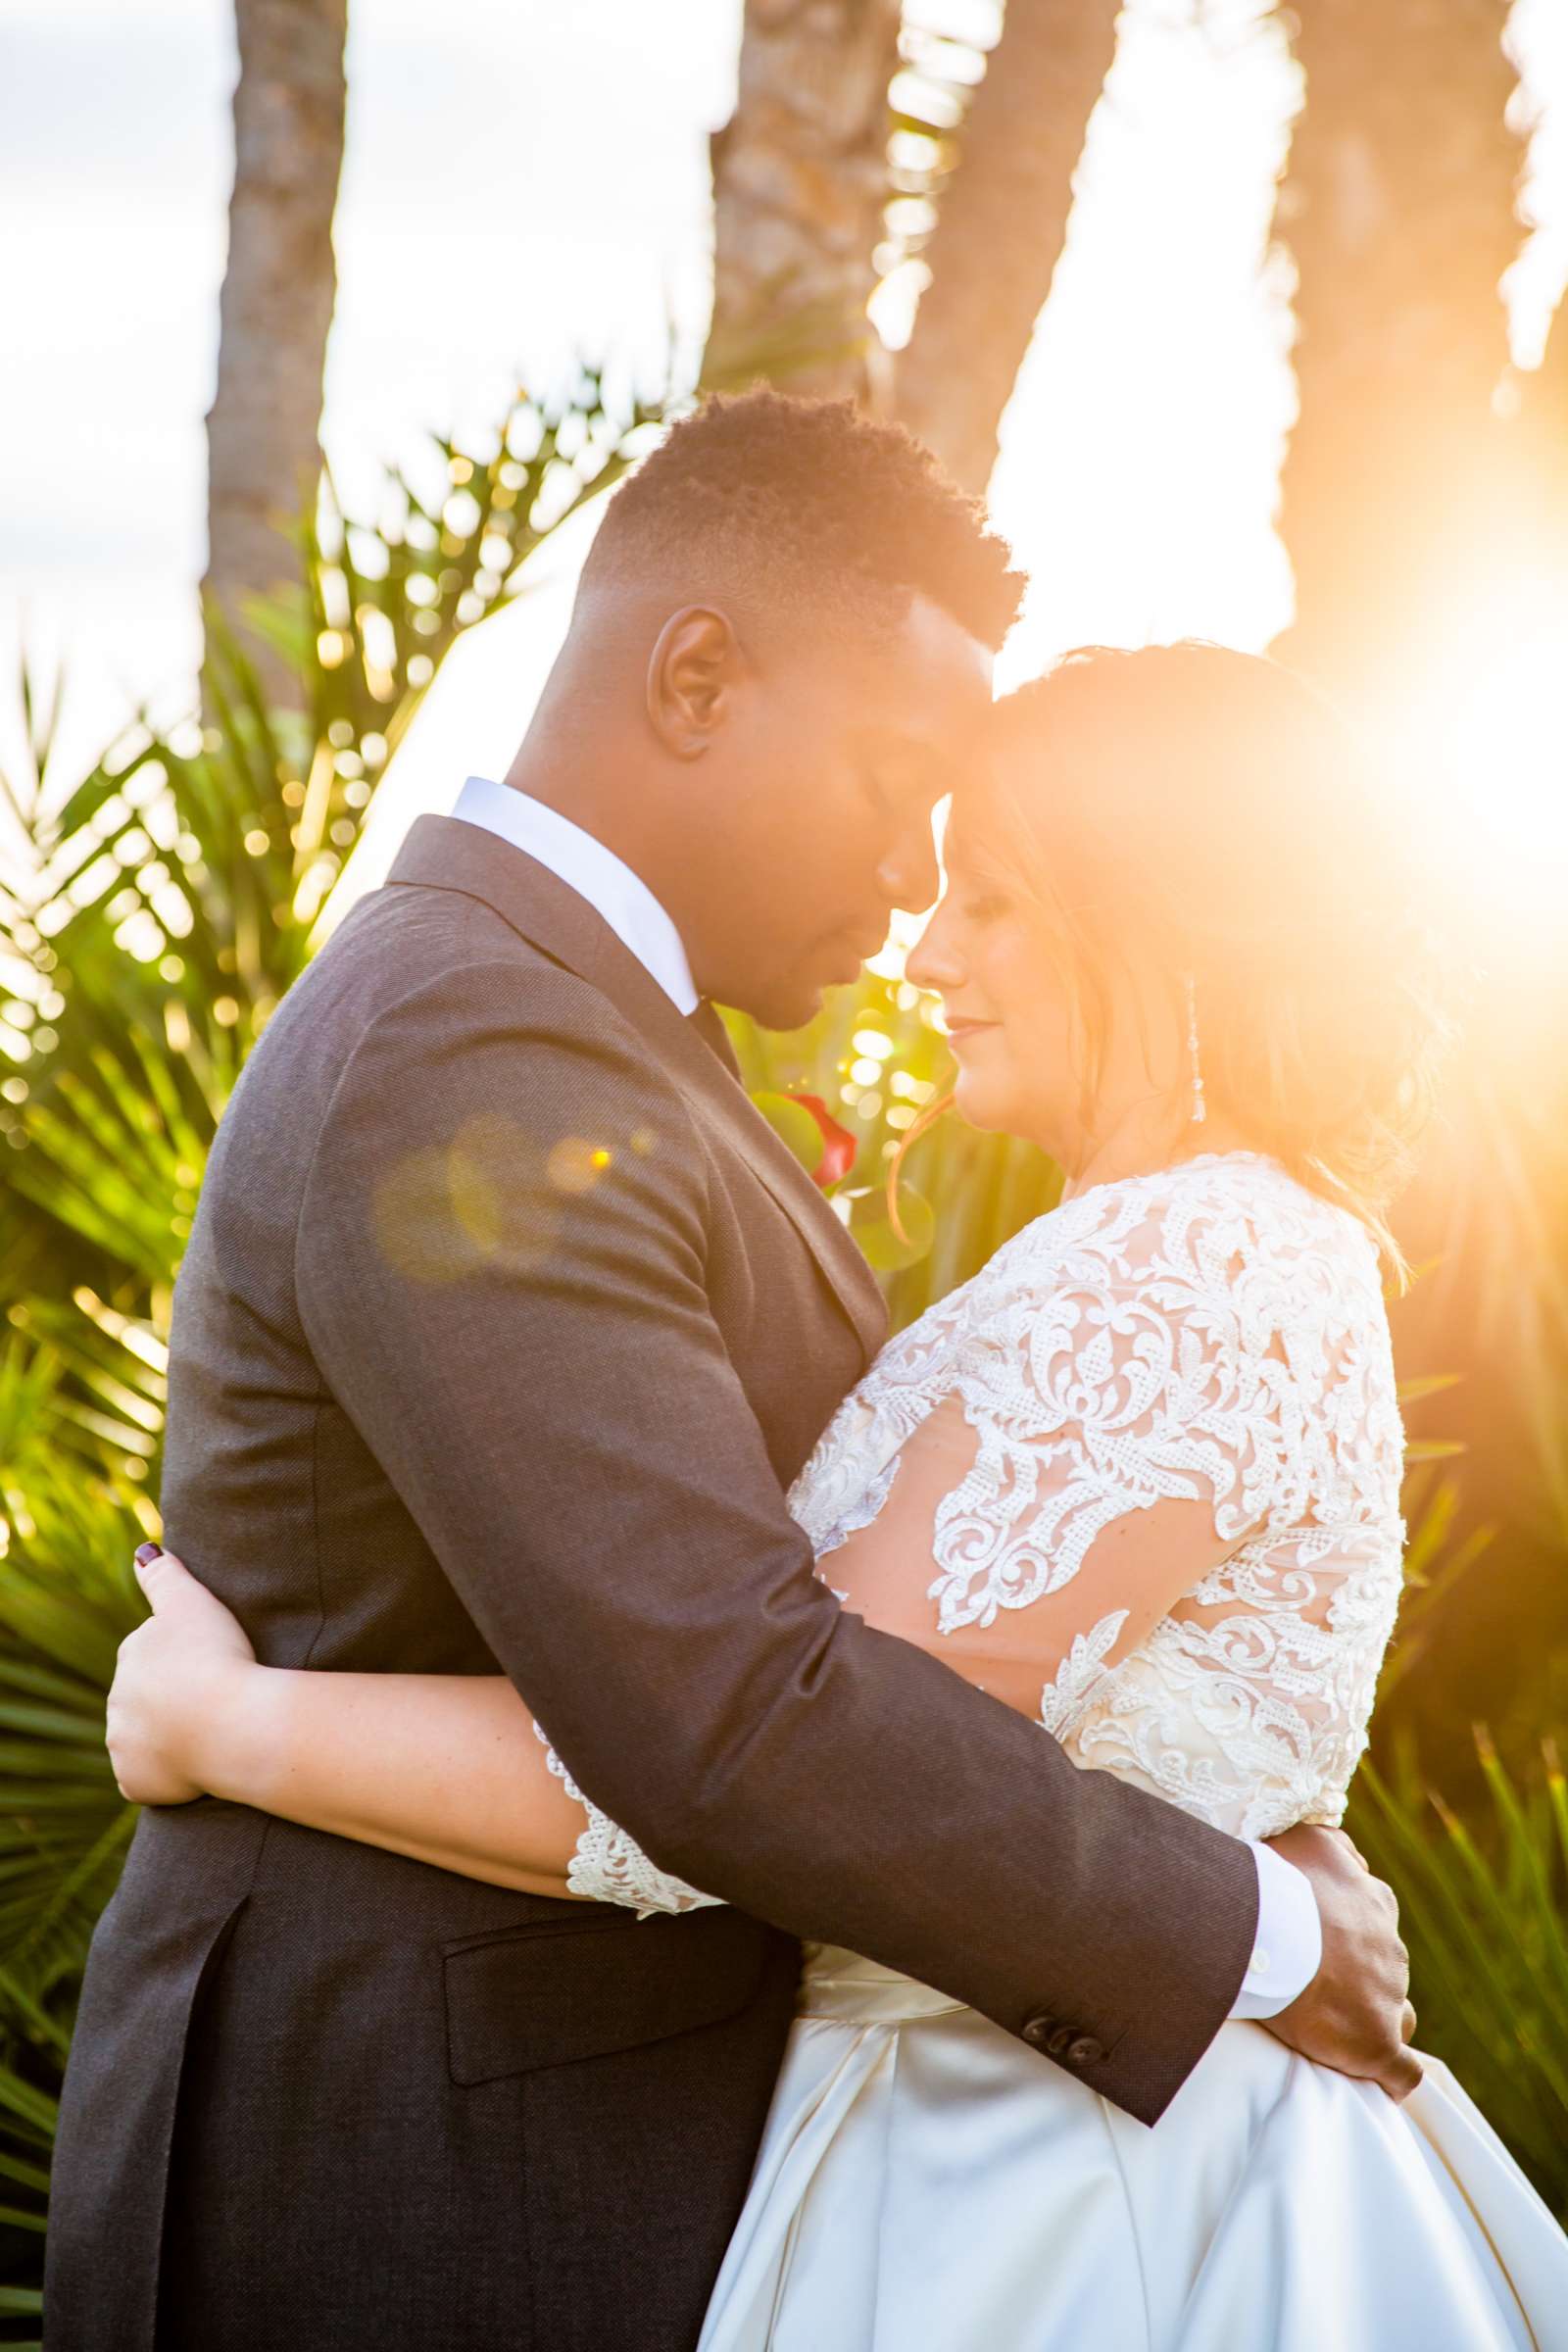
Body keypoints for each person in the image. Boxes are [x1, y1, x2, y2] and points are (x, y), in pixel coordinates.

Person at [52, 399, 1414, 2352]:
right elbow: (725, 1714)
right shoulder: (475, 1047)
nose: (903, 906)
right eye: (893, 791)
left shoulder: (601, 1043)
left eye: (982, 876)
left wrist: (230, 1723)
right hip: (422, 2192)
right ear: (695, 678)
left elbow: (833, 1670)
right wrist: (1245, 1925)